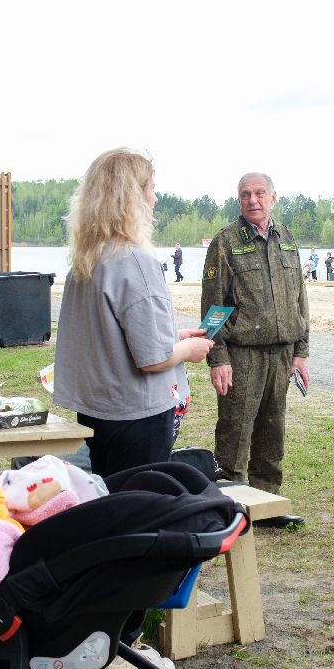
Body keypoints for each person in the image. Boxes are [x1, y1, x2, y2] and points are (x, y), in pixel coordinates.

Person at [53, 148, 213, 481]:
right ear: (131, 198)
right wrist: (188, 350)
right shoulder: (135, 261)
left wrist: (173, 338)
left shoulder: (87, 260)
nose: (155, 199)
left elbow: (111, 338)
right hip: (136, 414)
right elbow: (153, 359)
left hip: (97, 410)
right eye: (150, 189)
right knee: (139, 505)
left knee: (109, 498)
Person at [200, 172, 309, 527]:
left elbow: (299, 299)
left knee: (272, 433)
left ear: (273, 198)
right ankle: (229, 511)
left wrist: (301, 352)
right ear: (239, 200)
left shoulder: (287, 238)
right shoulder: (226, 242)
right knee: (235, 433)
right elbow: (213, 306)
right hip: (242, 354)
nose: (253, 200)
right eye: (245, 194)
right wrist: (217, 358)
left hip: (281, 353)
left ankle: (267, 506)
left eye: (260, 193)